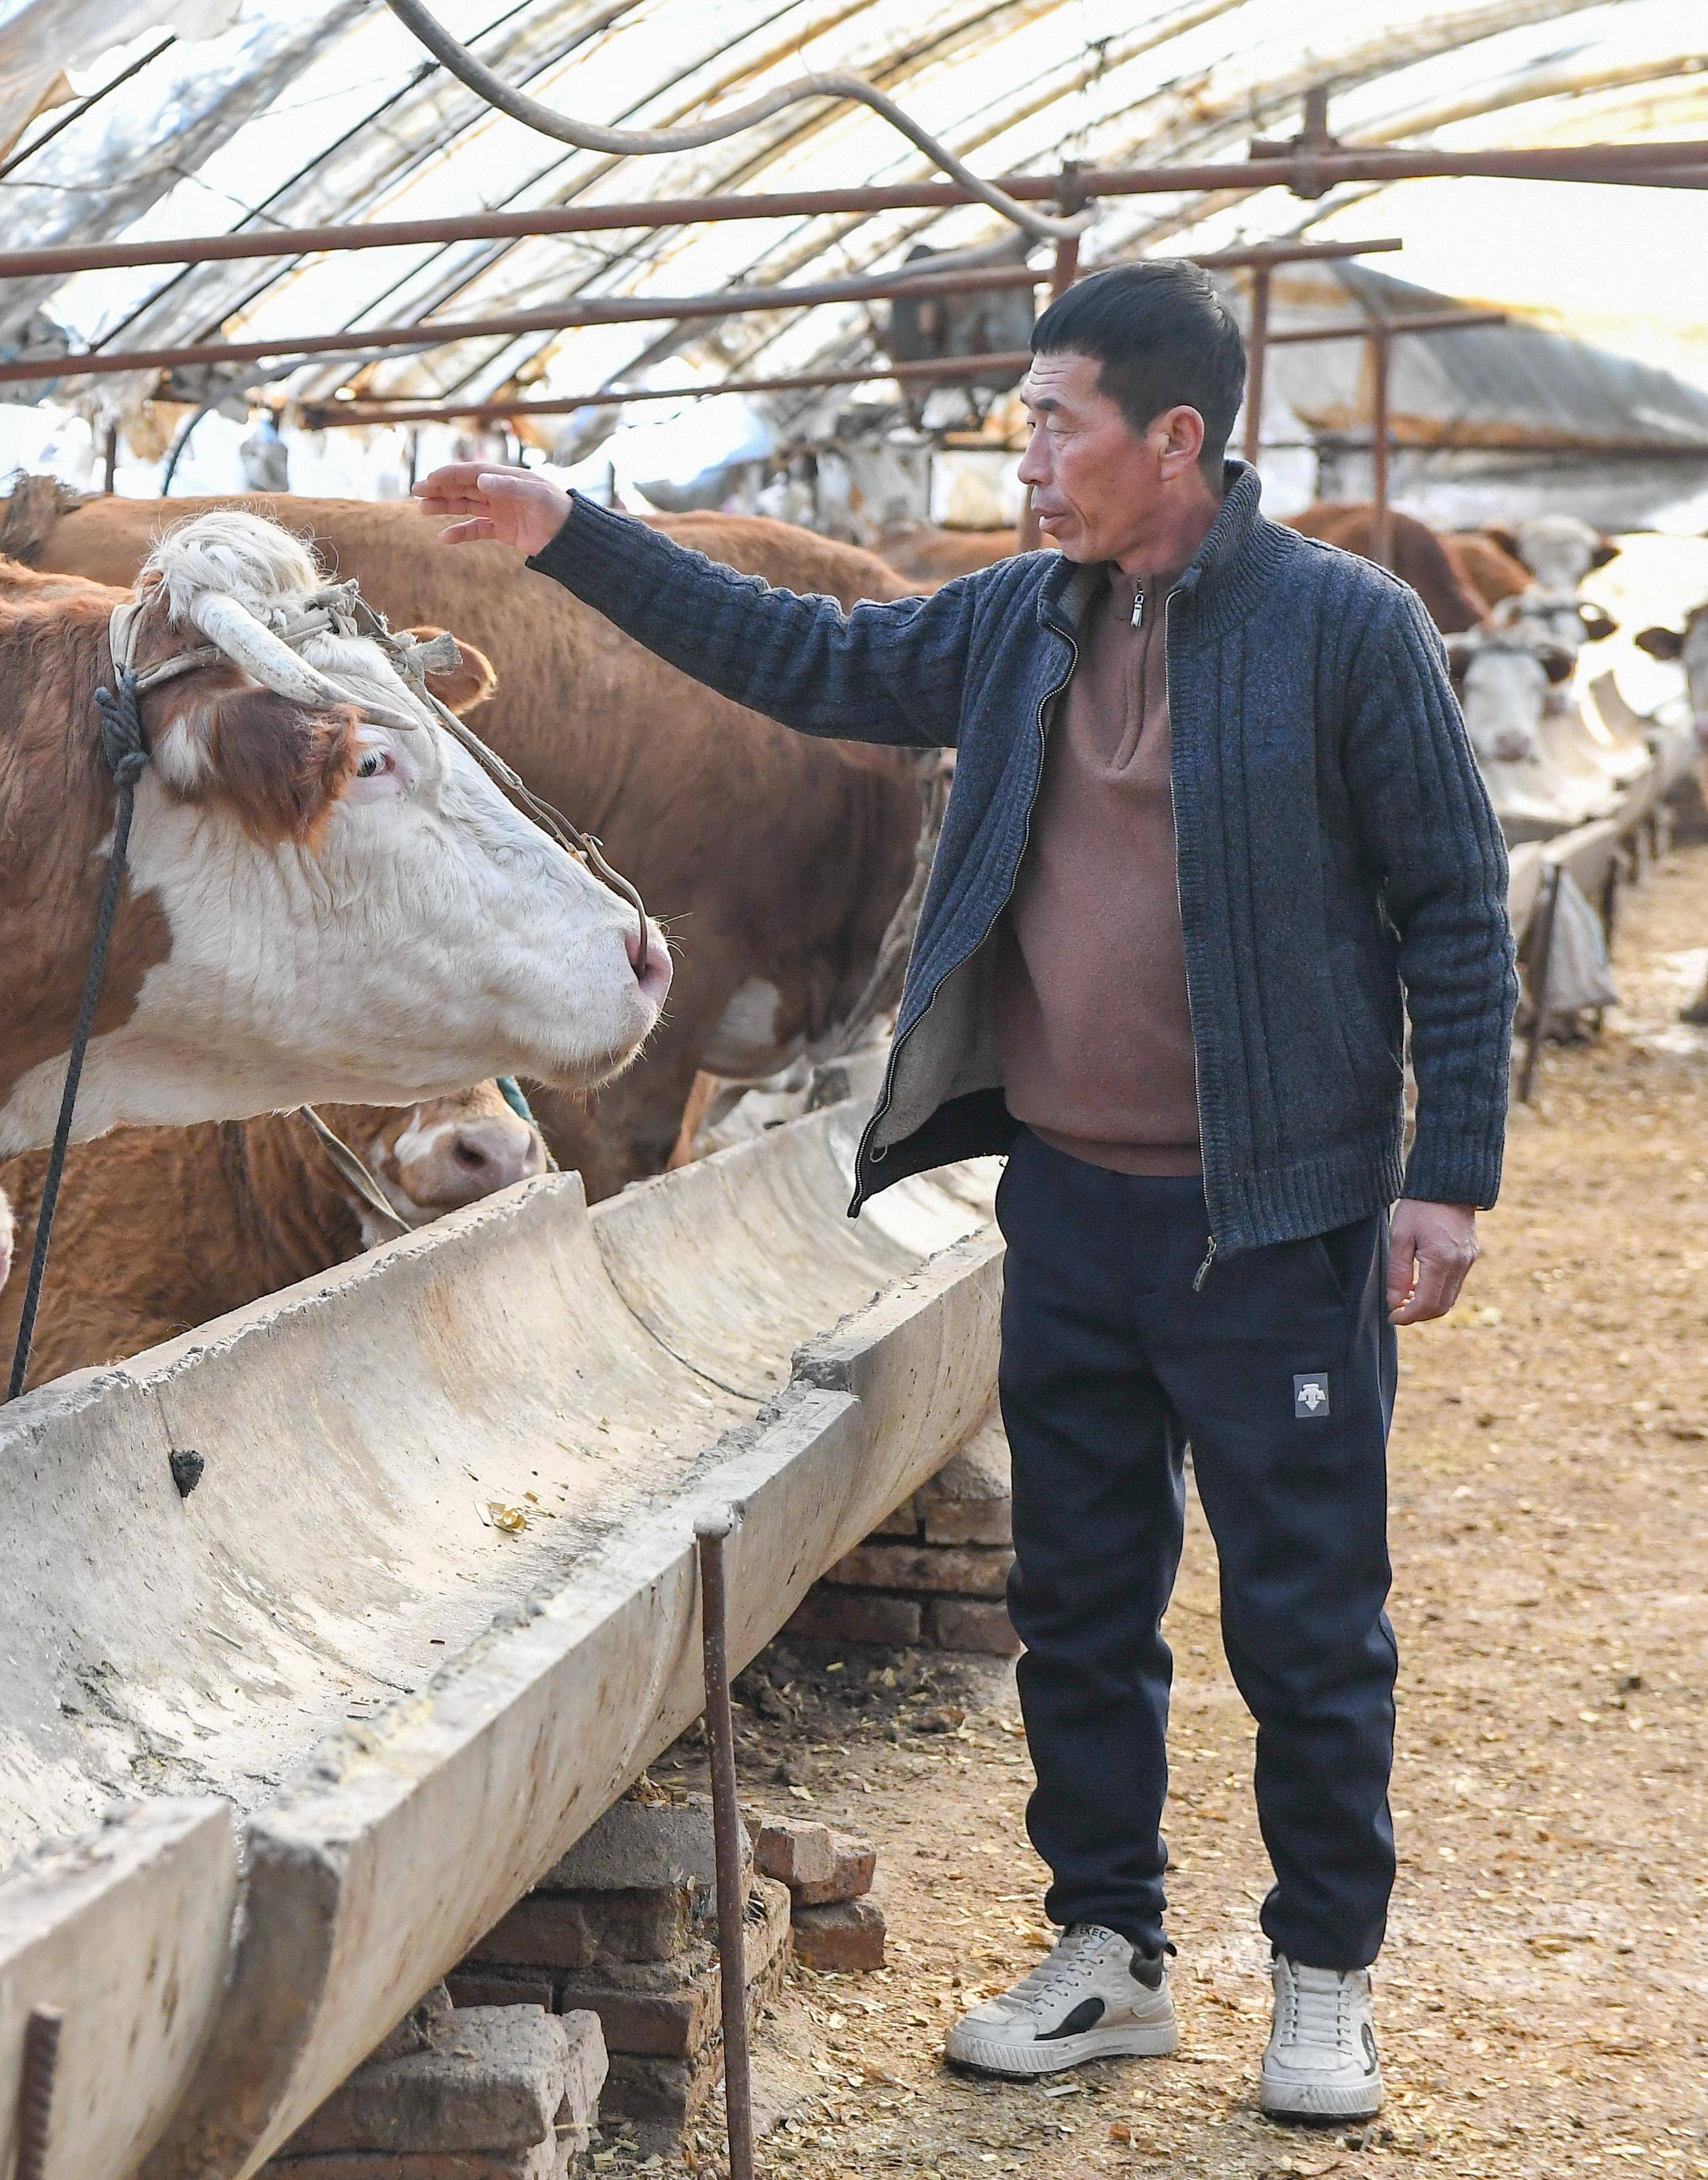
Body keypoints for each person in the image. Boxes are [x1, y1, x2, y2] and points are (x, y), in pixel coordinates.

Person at [418, 259, 1512, 2125]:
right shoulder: (1019, 624)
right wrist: (575, 534)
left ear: (1174, 438)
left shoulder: (1346, 632)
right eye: (1021, 420)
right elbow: (805, 657)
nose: (1023, 456)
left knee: (1305, 1616)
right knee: (1080, 1603)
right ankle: (1113, 1953)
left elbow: (1457, 907)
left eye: (1052, 422)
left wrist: (1447, 1179)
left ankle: (1324, 1976)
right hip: (1072, 1208)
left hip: (1281, 1219)